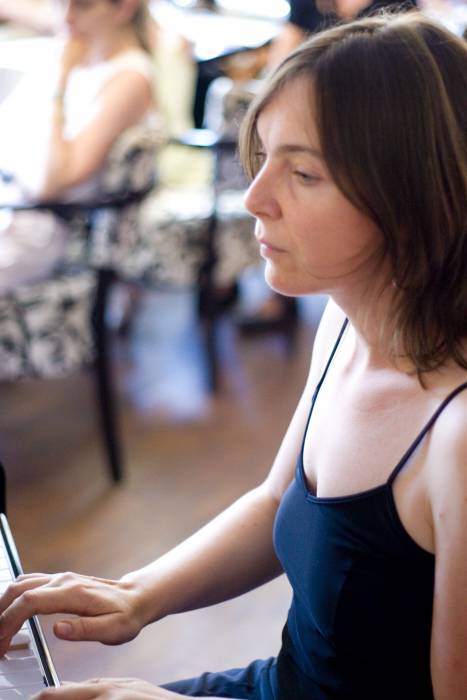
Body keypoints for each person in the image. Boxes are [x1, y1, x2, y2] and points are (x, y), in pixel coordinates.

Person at [0, 9, 466, 700]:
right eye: (263, 158)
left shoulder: (456, 439)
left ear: (406, 195)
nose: (254, 198)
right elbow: (278, 497)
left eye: (302, 174)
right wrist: (136, 594)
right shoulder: (344, 322)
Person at [0, 0, 159, 293]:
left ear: (125, 7)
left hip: (39, 229)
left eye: (83, 6)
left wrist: (60, 78)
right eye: (60, 4)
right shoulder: (66, 53)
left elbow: (51, 183)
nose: (67, 17)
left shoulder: (128, 79)